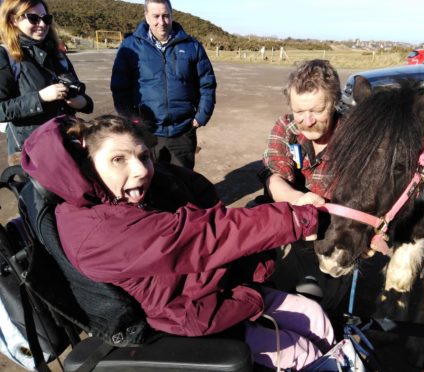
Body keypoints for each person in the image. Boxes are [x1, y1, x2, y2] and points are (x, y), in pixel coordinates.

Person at [21, 114, 339, 370]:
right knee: (302, 352)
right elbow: (205, 236)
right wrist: (298, 218)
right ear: (87, 165)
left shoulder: (127, 197)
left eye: (143, 157)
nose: (140, 170)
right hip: (189, 310)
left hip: (212, 285)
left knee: (315, 318)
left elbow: (199, 199)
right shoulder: (97, 230)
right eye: (119, 159)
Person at [258, 59, 351, 314]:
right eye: (300, 111)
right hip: (293, 216)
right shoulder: (286, 127)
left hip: (336, 227)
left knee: (322, 301)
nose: (307, 121)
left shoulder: (354, 136)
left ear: (334, 103)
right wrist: (297, 199)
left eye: (317, 111)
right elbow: (274, 176)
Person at [110, 0, 216, 170]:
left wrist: (200, 117)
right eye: (156, 16)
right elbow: (120, 88)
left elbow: (207, 84)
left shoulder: (192, 46)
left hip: (183, 130)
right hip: (147, 131)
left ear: (172, 15)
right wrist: (132, 120)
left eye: (166, 16)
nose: (162, 22)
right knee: (150, 182)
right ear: (146, 17)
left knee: (182, 184)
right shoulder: (130, 46)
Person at [0, 0, 93, 166]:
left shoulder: (57, 54)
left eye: (46, 19)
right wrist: (40, 97)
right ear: (13, 20)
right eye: (33, 18)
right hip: (32, 153)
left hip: (68, 144)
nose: (42, 24)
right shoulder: (6, 56)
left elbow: (81, 96)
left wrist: (82, 102)